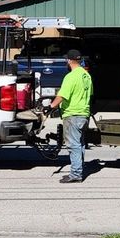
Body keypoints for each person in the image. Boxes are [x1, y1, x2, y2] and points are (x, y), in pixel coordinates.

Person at [50, 49, 93, 183]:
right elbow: (90, 95)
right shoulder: (86, 76)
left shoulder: (71, 76)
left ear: (69, 61)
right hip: (84, 114)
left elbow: (62, 96)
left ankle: (76, 174)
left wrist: (51, 106)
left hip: (72, 115)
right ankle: (79, 168)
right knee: (80, 144)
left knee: (73, 145)